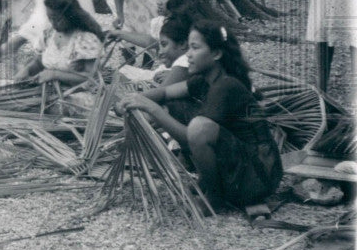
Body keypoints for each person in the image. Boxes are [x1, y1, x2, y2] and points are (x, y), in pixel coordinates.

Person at [116, 21, 283, 211]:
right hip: (244, 167)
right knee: (176, 104)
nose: (188, 54)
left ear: (216, 53)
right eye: (188, 47)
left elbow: (192, 137)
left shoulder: (226, 85)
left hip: (258, 177)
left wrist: (152, 109)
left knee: (199, 127)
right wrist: (133, 99)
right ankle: (208, 184)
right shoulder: (206, 79)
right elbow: (165, 93)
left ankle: (214, 199)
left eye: (195, 48)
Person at [14, 0, 104, 91]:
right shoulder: (49, 33)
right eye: (50, 18)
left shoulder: (85, 39)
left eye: (57, 19)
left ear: (71, 15)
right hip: (48, 92)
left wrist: (55, 74)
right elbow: (39, 61)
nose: (53, 22)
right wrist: (27, 70)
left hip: (75, 95)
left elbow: (92, 77)